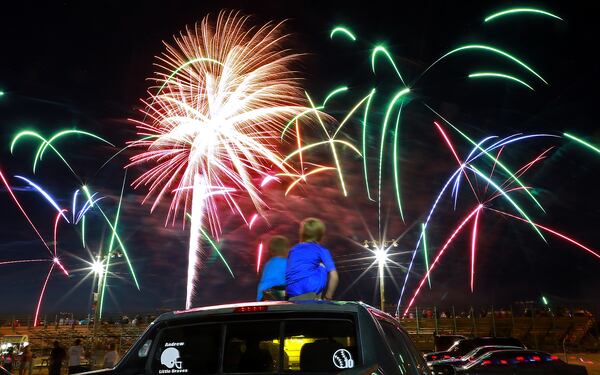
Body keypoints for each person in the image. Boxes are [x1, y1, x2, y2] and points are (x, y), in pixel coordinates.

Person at [286, 218, 339, 300]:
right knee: (321, 265)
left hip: (291, 291)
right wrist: (328, 296)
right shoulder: (321, 250)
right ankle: (318, 297)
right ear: (320, 235)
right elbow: (334, 276)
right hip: (309, 288)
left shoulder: (293, 249)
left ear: (302, 233)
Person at [256, 235, 290, 301]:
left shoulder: (268, 264)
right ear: (286, 249)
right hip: (276, 295)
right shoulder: (287, 263)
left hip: (262, 296)